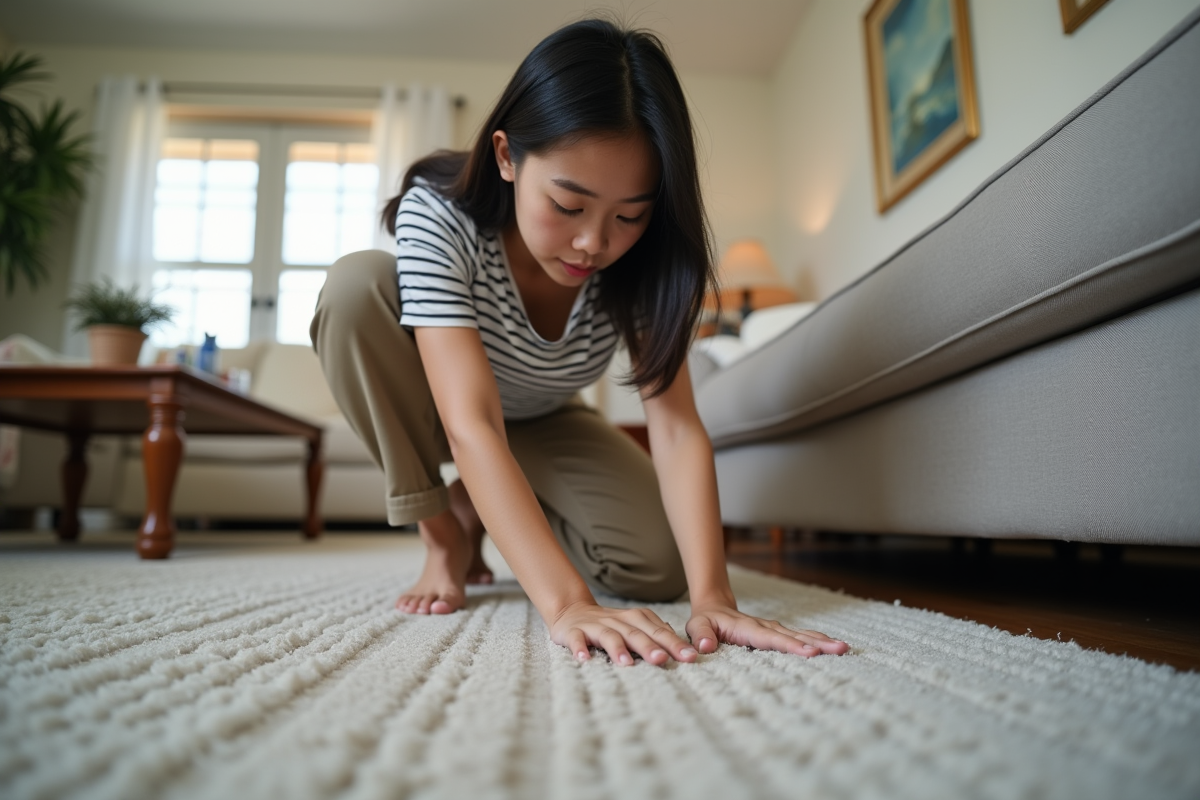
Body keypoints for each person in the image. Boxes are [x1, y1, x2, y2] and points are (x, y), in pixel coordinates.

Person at [310, 18, 848, 667]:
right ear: (507, 156)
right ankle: (445, 533)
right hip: (437, 407)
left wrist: (714, 596)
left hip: (543, 416)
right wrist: (567, 603)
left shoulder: (645, 259)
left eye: (629, 215)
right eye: (568, 206)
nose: (594, 242)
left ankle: (483, 505)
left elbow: (676, 427)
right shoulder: (440, 215)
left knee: (656, 568)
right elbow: (470, 423)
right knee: (355, 287)